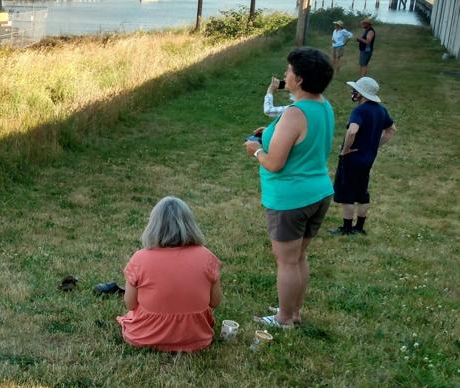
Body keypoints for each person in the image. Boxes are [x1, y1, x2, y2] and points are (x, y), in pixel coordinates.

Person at [244, 47, 335, 328]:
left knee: (286, 261)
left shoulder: (296, 113)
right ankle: (293, 310)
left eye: (289, 72)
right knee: (298, 257)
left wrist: (256, 149)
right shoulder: (323, 105)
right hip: (318, 192)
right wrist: (269, 131)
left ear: (300, 79)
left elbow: (273, 163)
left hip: (291, 199)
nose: (285, 75)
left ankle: (283, 319)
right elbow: (301, 138)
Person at [117, 196, 222, 353]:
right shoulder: (207, 257)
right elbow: (215, 302)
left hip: (144, 337)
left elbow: (130, 304)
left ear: (153, 225)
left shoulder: (140, 258)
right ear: (190, 224)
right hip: (196, 338)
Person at [330, 77, 397, 235]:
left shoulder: (359, 111)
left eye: (356, 90)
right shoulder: (381, 110)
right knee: (362, 192)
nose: (353, 93)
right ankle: (359, 227)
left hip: (352, 158)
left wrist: (346, 149)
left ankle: (346, 229)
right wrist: (375, 145)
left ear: (361, 93)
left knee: (347, 192)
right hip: (368, 159)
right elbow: (392, 129)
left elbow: (352, 130)